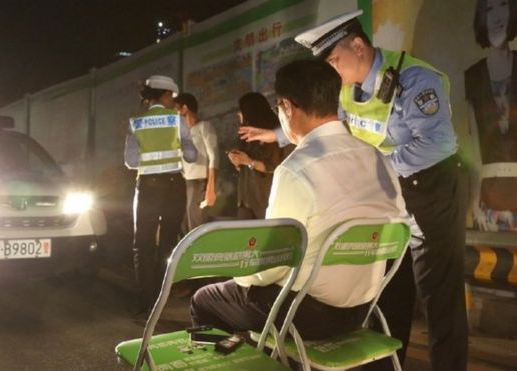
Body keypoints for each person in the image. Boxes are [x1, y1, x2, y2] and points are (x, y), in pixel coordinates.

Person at [239, 10, 468, 370]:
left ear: (358, 46)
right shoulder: (349, 90)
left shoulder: (414, 79)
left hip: (431, 191)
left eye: (333, 59)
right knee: (389, 292)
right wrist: (277, 134)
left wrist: (376, 166)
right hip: (388, 195)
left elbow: (440, 143)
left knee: (439, 297)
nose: (331, 71)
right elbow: (327, 120)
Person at [191, 59, 408, 341]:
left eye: (278, 108)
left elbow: (273, 264)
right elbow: (399, 227)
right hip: (363, 309)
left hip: (306, 313)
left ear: (288, 108)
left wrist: (240, 276)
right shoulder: (376, 157)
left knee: (205, 299)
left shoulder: (296, 169)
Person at [124, 75, 197, 316]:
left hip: (147, 187)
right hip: (174, 187)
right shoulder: (177, 120)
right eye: (171, 97)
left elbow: (130, 161)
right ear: (165, 95)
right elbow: (191, 156)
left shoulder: (135, 122)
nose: (172, 101)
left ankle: (144, 302)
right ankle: (161, 298)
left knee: (142, 245)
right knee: (168, 242)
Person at [466, 0, 516, 232]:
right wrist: (474, 205)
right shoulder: (473, 77)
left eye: (503, 5)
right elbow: (475, 154)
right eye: (489, 9)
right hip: (491, 200)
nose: (497, 17)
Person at [227, 92, 284, 220]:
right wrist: (237, 161)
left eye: (241, 110)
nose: (238, 114)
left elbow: (273, 166)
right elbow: (243, 166)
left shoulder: (272, 135)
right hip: (245, 199)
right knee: (243, 237)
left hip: (263, 199)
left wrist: (249, 161)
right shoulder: (245, 134)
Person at [174, 93, 219, 232]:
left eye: (176, 109)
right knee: (183, 226)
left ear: (184, 108)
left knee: (196, 226)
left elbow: (214, 157)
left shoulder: (204, 126)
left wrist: (210, 188)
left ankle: (201, 253)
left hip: (200, 182)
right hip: (184, 183)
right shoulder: (180, 133)